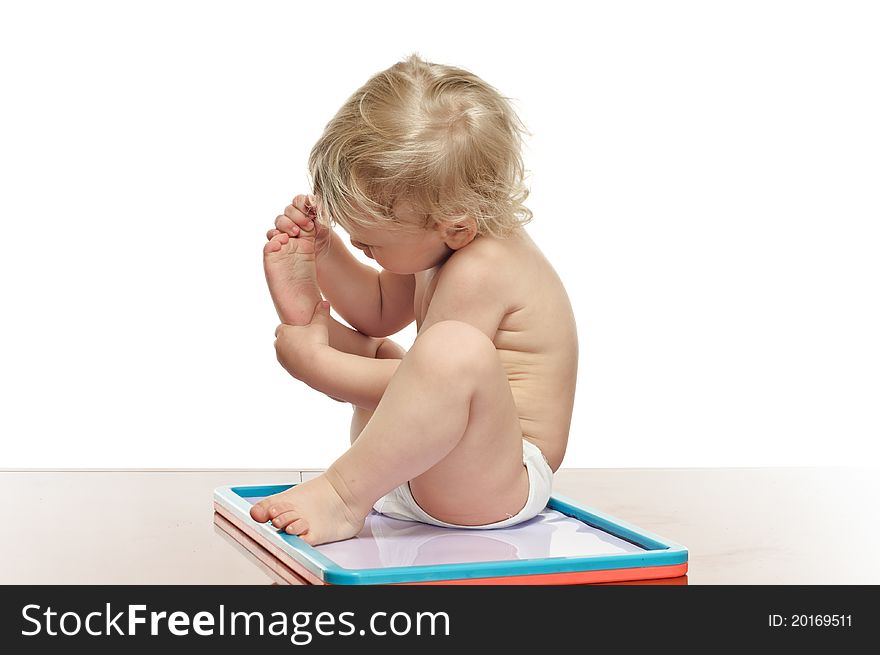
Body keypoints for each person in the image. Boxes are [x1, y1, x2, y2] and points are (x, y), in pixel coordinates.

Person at [249, 53, 578, 546]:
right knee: (380, 350)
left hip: (495, 483)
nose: (362, 245)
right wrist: (327, 254)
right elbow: (379, 313)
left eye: (371, 243)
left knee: (449, 352)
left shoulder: (483, 268)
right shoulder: (438, 239)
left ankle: (343, 495)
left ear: (455, 225)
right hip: (434, 466)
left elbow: (433, 380)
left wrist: (315, 364)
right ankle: (308, 319)